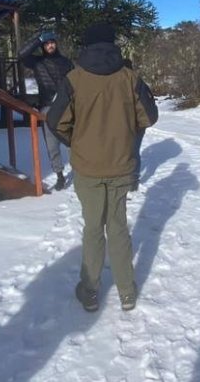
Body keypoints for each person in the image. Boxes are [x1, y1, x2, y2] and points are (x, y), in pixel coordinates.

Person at [47, 22, 158, 312]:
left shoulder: (75, 78)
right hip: (121, 165)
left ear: (86, 46)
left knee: (93, 229)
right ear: (113, 45)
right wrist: (124, 133)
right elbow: (149, 116)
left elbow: (55, 122)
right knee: (118, 228)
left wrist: (79, 142)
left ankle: (91, 291)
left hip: (88, 168)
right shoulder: (129, 77)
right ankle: (127, 293)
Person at [17, 30, 74, 190]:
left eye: (52, 42)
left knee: (71, 141)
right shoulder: (37, 62)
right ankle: (60, 175)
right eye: (47, 43)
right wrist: (37, 39)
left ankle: (78, 171)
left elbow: (74, 83)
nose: (50, 45)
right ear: (43, 46)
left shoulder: (66, 62)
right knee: (51, 144)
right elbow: (21, 55)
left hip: (66, 106)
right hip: (47, 106)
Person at [123, 57, 148, 192]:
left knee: (130, 152)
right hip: (137, 124)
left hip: (133, 124)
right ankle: (133, 179)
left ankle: (132, 179)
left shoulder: (126, 83)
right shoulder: (138, 82)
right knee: (133, 151)